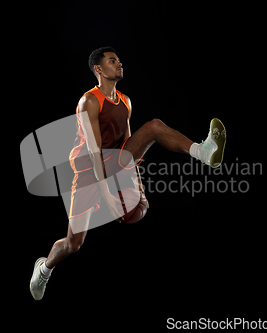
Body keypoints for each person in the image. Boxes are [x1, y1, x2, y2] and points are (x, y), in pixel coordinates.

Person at [30, 46, 226, 300]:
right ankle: (44, 270)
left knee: (154, 127)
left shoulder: (125, 101)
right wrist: (107, 194)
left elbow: (128, 145)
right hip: (89, 171)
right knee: (74, 243)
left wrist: (135, 183)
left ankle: (204, 150)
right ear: (98, 69)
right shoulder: (88, 101)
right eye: (113, 61)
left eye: (119, 60)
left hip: (114, 160)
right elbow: (93, 152)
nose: (119, 64)